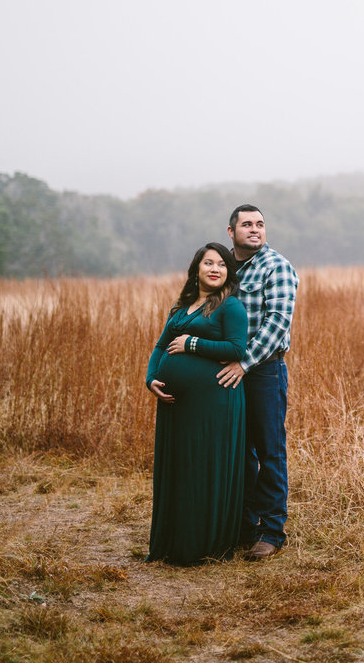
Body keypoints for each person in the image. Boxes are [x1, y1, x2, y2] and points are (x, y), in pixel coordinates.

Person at [145, 242, 248, 566]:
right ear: (197, 270)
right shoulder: (181, 307)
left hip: (213, 404)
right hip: (176, 405)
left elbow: (236, 349)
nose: (215, 268)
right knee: (180, 468)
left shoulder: (230, 307)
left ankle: (202, 543)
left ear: (228, 272)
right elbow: (161, 346)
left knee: (203, 467)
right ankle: (174, 539)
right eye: (208, 263)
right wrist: (151, 379)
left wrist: (192, 343)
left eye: (221, 264)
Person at [216, 204, 298, 561]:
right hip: (229, 370)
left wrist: (243, 364)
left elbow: (277, 324)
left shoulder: (276, 266)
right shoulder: (220, 267)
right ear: (231, 231)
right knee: (239, 451)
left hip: (262, 370)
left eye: (261, 224)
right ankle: (244, 526)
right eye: (247, 224)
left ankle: (271, 531)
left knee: (269, 450)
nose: (255, 230)